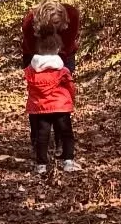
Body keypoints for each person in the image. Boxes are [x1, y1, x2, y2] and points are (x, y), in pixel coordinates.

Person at [24, 22, 81, 177]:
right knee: (66, 134)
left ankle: (41, 164)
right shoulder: (63, 70)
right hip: (61, 107)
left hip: (41, 108)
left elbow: (31, 88)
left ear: (38, 49)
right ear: (57, 49)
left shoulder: (30, 71)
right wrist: (72, 101)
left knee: (42, 136)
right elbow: (70, 87)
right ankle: (68, 161)